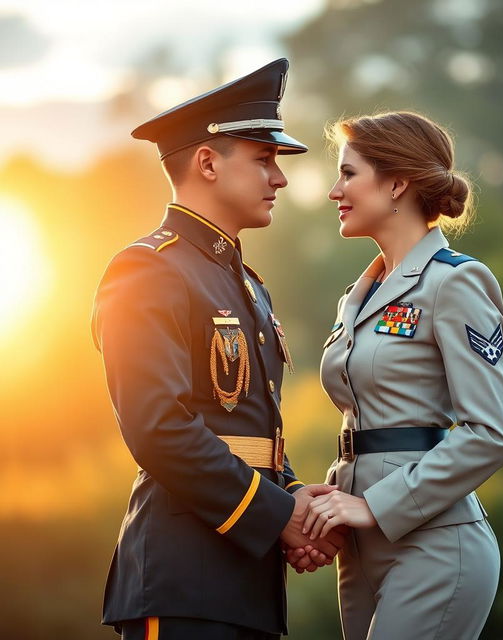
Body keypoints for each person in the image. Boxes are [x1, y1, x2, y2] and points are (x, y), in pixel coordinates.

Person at [91, 58, 343, 640]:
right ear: (207, 161)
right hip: (184, 577)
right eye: (264, 159)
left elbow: (247, 429)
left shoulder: (246, 281)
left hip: (245, 580)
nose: (278, 179)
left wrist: (294, 494)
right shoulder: (147, 269)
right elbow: (159, 427)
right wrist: (281, 518)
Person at [300, 111, 503, 640]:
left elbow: (491, 435)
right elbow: (369, 422)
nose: (334, 191)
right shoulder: (357, 296)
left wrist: (374, 505)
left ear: (397, 183)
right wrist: (325, 506)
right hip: (358, 548)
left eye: (349, 174)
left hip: (435, 544)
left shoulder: (457, 282)